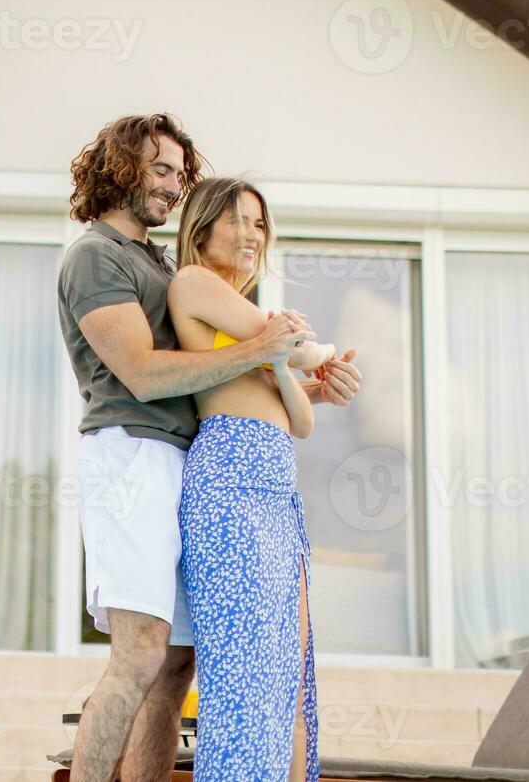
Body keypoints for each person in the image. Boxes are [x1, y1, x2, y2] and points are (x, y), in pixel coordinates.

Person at [56, 115, 362, 782]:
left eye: (178, 174)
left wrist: (293, 380)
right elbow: (141, 371)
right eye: (160, 169)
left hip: (190, 458)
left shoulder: (159, 264)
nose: (173, 185)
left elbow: (217, 360)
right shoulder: (95, 256)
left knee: (174, 667)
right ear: (118, 166)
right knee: (139, 656)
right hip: (133, 454)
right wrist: (270, 348)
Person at [169, 176, 333, 781]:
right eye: (237, 220)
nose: (249, 234)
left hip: (277, 492)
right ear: (204, 226)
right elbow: (301, 348)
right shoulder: (195, 284)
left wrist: (298, 362)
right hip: (230, 485)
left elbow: (301, 416)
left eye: (259, 223)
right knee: (244, 677)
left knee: (290, 677)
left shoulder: (257, 334)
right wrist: (305, 349)